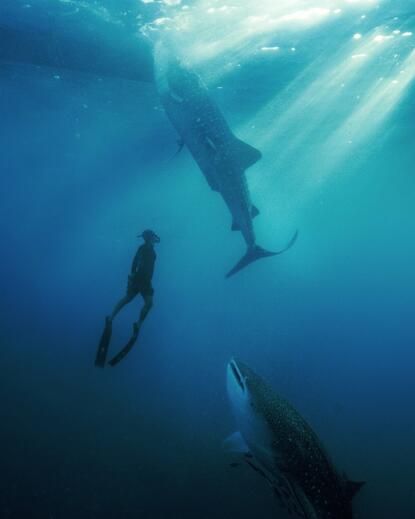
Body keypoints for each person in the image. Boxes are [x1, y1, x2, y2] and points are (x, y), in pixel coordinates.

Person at [95, 229, 160, 367]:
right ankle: (112, 317)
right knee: (129, 299)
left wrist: (132, 276)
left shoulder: (149, 249)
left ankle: (137, 324)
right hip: (139, 280)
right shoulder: (144, 249)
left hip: (145, 281)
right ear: (149, 238)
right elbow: (135, 262)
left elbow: (135, 263)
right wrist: (132, 277)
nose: (154, 239)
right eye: (152, 237)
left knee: (147, 303)